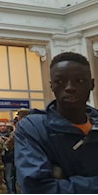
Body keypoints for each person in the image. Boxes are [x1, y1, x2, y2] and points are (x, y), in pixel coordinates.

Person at [15, 52, 98, 193]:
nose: (70, 87)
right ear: (51, 86)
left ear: (92, 84)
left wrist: (64, 180)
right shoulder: (34, 128)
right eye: (60, 81)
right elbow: (38, 188)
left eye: (80, 81)